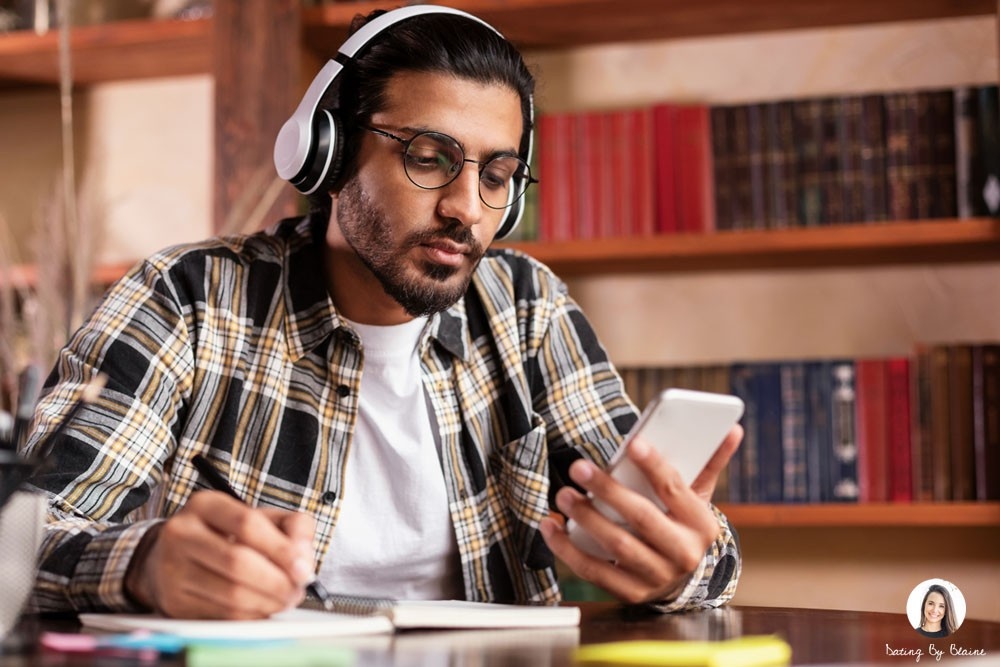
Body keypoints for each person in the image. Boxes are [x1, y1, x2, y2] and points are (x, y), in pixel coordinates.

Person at [23, 5, 742, 620]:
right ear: (327, 154)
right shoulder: (188, 300)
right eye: (430, 158)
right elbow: (21, 538)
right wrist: (145, 562)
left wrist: (683, 565)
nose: (467, 208)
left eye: (496, 176)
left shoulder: (529, 310)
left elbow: (697, 550)